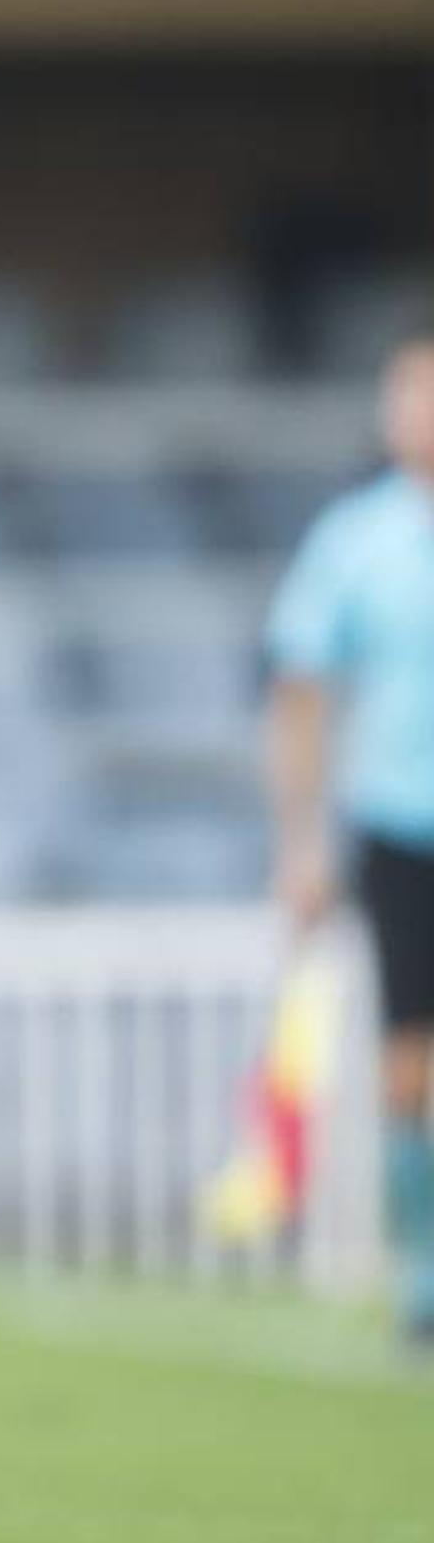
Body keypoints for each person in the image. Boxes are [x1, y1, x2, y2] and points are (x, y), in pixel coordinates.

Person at [266, 334, 434, 1344]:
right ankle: (423, 1266)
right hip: (397, 819)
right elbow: (298, 688)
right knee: (408, 1055)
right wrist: (299, 838)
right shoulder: (356, 538)